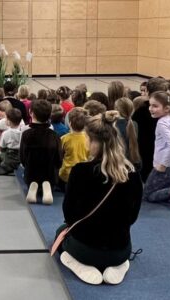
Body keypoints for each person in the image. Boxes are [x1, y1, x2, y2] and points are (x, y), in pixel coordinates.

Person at [57, 113, 142, 286]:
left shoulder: (80, 171)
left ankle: (80, 263)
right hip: (120, 249)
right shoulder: (132, 174)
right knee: (117, 238)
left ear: (91, 141)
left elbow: (69, 214)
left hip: (85, 249)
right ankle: (117, 265)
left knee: (61, 231)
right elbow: (132, 217)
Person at [20, 100, 62, 205]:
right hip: (50, 173)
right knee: (50, 172)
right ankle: (47, 184)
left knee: (31, 173)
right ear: (49, 116)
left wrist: (26, 166)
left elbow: (22, 157)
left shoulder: (26, 134)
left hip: (31, 172)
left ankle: (33, 184)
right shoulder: (54, 135)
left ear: (31, 113)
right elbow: (59, 159)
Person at [58, 108, 89, 191]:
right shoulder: (89, 138)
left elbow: (60, 156)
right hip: (83, 174)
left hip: (66, 175)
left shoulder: (64, 138)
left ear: (70, 123)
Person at [114, 98, 141, 170]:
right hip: (131, 161)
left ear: (116, 109)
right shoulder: (134, 124)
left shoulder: (113, 125)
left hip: (117, 163)